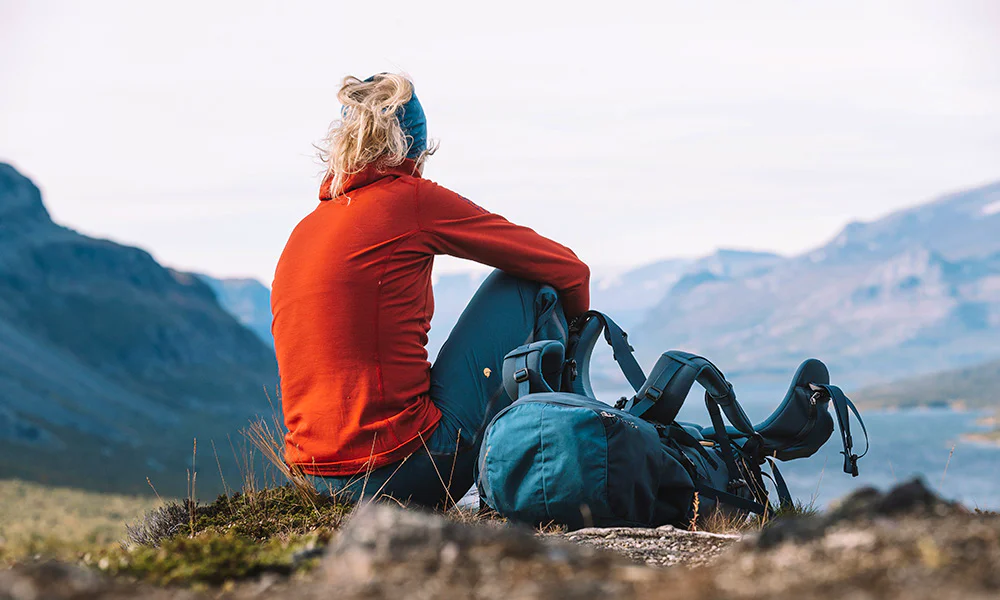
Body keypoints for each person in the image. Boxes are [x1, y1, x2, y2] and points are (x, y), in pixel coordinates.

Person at [270, 73, 590, 508]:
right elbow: (568, 269)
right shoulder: (410, 198)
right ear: (414, 148)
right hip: (404, 473)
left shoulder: (305, 229)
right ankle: (575, 462)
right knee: (530, 283)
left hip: (316, 483)